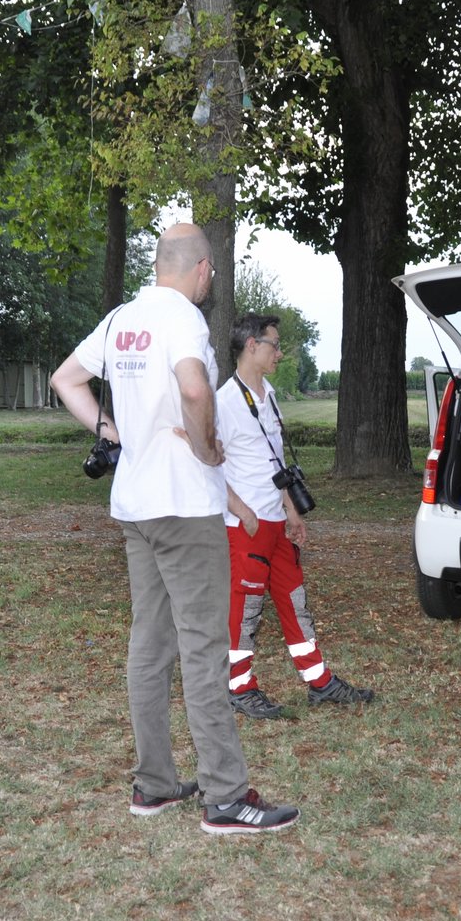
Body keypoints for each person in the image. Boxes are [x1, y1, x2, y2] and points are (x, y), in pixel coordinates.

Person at [49, 223, 298, 835]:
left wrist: (113, 436)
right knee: (204, 647)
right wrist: (210, 446)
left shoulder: (120, 321)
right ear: (203, 269)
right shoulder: (183, 319)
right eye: (210, 273)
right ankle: (225, 797)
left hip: (135, 506)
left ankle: (154, 785)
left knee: (150, 642)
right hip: (185, 507)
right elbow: (193, 386)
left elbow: (66, 380)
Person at [216, 314, 375, 719]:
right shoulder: (224, 402)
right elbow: (207, 466)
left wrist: (291, 512)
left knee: (293, 598)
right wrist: (243, 512)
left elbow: (277, 461)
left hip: (275, 522)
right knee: (246, 607)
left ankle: (319, 682)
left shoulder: (267, 394)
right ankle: (238, 687)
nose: (280, 352)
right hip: (247, 525)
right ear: (251, 345)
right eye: (274, 344)